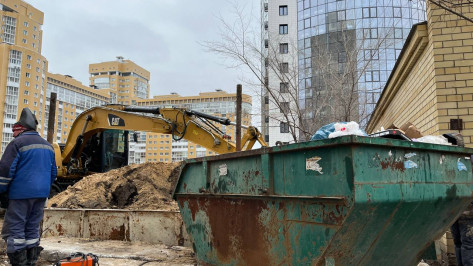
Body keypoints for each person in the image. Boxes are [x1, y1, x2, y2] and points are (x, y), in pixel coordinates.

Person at [0, 108, 57, 266]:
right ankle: (31, 260)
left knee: (16, 228)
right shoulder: (48, 146)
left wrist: (1, 191)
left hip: (20, 194)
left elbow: (5, 171)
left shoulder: (17, 144)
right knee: (32, 227)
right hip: (41, 195)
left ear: (20, 129)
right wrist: (42, 189)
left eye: (15, 131)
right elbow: (53, 173)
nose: (13, 134)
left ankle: (19, 262)